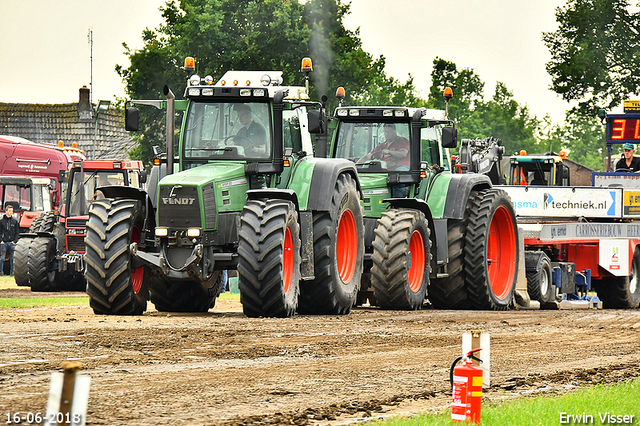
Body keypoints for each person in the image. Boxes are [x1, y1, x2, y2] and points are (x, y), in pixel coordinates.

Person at [0, 204, 20, 276]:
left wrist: (15, 241)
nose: (11, 212)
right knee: (2, 258)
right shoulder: (1, 221)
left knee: (12, 259)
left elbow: (17, 232)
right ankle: (1, 272)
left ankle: (12, 272)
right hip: (4, 243)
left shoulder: (14, 221)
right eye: (9, 211)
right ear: (6, 211)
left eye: (12, 211)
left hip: (12, 243)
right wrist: (1, 241)